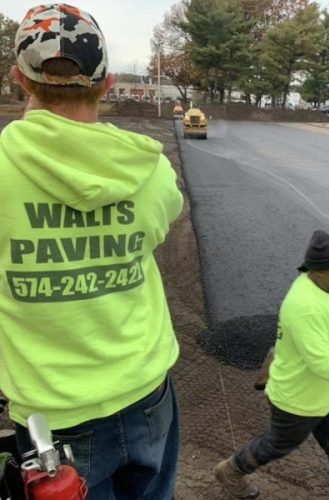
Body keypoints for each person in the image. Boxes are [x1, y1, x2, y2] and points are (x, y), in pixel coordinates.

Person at [0, 4, 183, 499]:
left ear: (20, 78)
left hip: (54, 419)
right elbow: (158, 227)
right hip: (148, 393)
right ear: (107, 84)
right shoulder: (151, 170)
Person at [214, 230, 329, 500]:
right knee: (277, 445)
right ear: (319, 270)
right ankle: (230, 471)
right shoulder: (306, 306)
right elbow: (322, 363)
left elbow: (322, 360)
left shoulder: (323, 287)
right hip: (299, 398)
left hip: (327, 390)